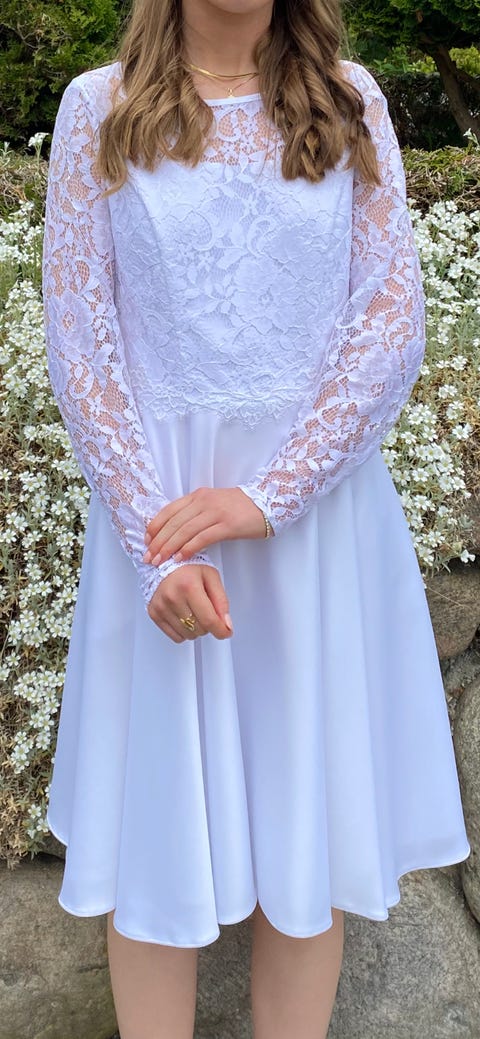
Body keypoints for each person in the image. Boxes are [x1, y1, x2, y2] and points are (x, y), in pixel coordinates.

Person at [41, 1, 471, 1036]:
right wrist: (155, 544)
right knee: (155, 843)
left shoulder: (349, 101)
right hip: (163, 528)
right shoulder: (98, 108)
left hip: (312, 528)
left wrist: (271, 494)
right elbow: (82, 345)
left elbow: (390, 321)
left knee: (305, 839)